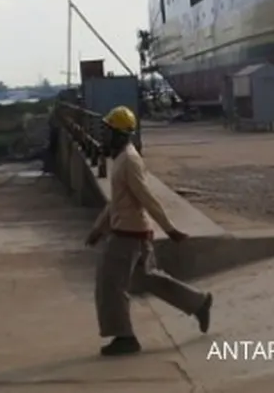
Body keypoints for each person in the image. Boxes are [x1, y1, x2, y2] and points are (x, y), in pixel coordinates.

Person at [85, 105, 213, 356]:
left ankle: (124, 337)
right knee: (148, 278)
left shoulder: (129, 161)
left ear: (120, 134)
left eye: (109, 131)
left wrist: (169, 228)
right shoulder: (122, 159)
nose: (105, 136)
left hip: (128, 235)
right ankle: (198, 302)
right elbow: (117, 201)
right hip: (132, 232)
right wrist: (99, 228)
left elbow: (146, 198)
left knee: (110, 285)